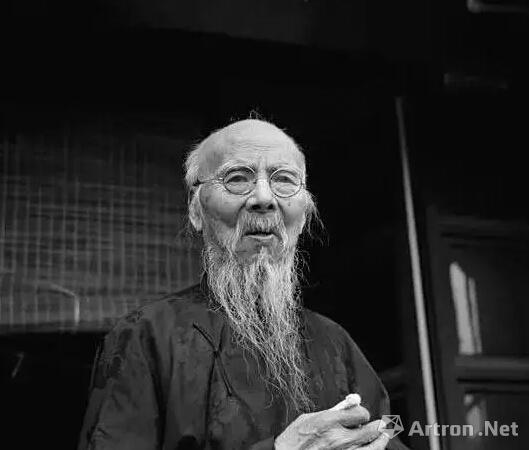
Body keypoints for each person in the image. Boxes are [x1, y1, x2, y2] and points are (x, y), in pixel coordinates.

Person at [78, 119, 408, 450]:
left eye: (284, 180)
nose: (263, 198)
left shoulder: (336, 344)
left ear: (304, 216)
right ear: (196, 210)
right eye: (237, 179)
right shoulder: (148, 336)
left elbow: (385, 434)